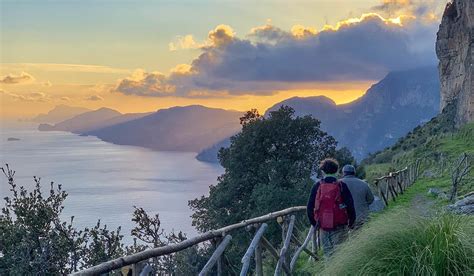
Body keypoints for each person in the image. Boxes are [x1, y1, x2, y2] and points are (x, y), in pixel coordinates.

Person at [307, 158, 355, 258]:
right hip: (340, 225)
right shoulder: (341, 185)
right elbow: (350, 205)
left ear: (323, 171)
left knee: (328, 255)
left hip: (324, 227)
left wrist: (315, 224)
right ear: (337, 171)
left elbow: (309, 208)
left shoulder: (317, 186)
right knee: (341, 255)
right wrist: (351, 222)